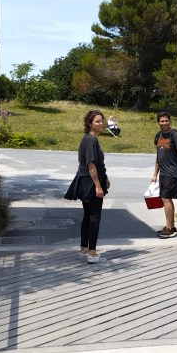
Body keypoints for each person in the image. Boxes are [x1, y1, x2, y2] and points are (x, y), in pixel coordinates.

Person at [151, 112, 177, 238]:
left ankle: (169, 228)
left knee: (166, 199)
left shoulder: (175, 135)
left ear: (170, 121)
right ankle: (171, 226)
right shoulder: (158, 136)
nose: (164, 123)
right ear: (158, 122)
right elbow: (159, 157)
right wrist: (154, 174)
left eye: (166, 121)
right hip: (163, 174)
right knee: (166, 199)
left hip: (173, 173)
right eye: (161, 121)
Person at [77, 109, 109, 262]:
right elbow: (91, 165)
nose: (101, 123)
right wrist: (98, 185)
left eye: (102, 121)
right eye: (97, 121)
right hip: (90, 184)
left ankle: (84, 249)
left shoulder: (87, 139)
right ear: (90, 124)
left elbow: (94, 164)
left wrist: (105, 177)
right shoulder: (91, 140)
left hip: (85, 182)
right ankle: (92, 253)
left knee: (87, 216)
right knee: (95, 217)